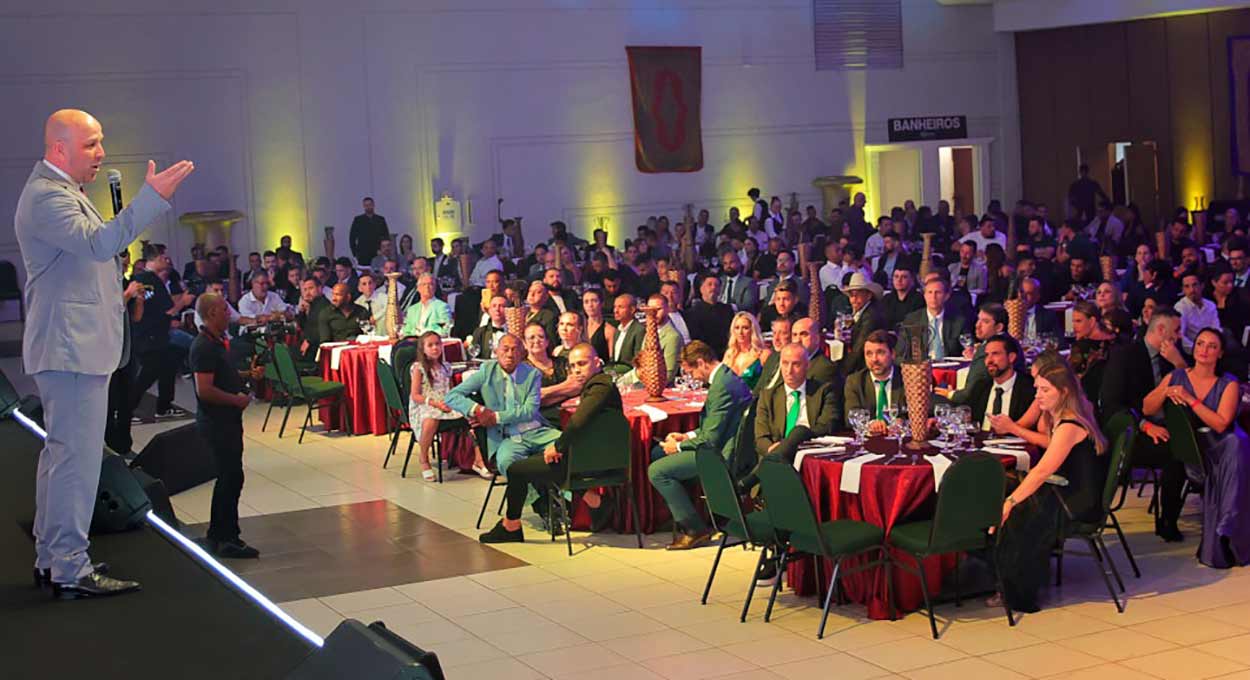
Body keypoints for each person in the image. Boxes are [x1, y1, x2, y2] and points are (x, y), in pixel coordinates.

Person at [16, 109, 194, 598]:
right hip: (71, 349)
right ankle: (69, 567)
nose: (101, 154)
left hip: (73, 347)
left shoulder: (63, 194)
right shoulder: (47, 197)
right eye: (91, 144)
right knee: (76, 461)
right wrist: (152, 200)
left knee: (65, 458)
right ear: (59, 149)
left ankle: (55, 559)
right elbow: (97, 245)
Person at [994, 361, 1109, 612]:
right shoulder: (1066, 416)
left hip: (1078, 499)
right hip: (1069, 487)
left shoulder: (1069, 425)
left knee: (1017, 506)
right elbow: (1044, 438)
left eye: (1045, 390)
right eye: (1037, 389)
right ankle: (1002, 576)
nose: (1038, 396)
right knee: (1008, 485)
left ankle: (1016, 589)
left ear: (1064, 392)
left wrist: (1010, 503)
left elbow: (1043, 470)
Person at [479, 343, 616, 544]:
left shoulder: (600, 386)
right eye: (573, 365)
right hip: (588, 451)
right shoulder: (597, 384)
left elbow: (578, 422)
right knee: (539, 465)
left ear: (597, 362)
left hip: (590, 455)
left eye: (582, 364)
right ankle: (595, 501)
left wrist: (558, 446)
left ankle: (511, 527)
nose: (577, 369)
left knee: (518, 470)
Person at [1142, 327, 1250, 568]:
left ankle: (1227, 526)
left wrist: (1191, 400)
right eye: (1200, 344)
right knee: (1235, 447)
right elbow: (1147, 408)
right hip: (1190, 451)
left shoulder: (1228, 384)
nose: (1204, 350)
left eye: (1212, 346)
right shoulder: (1177, 376)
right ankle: (1225, 526)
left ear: (1220, 353)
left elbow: (1221, 424)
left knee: (1235, 443)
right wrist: (1165, 393)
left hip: (1220, 447)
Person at [648, 341, 753, 549]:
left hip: (721, 455)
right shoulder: (724, 378)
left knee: (657, 471)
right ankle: (685, 511)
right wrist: (685, 436)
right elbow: (713, 426)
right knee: (657, 453)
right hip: (717, 444)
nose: (693, 378)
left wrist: (677, 448)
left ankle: (695, 529)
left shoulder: (722, 386)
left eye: (691, 372)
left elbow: (710, 439)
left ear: (701, 363)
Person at [190, 293, 264, 558]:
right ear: (211, 313)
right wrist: (236, 400)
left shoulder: (216, 343)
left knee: (230, 477)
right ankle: (227, 537)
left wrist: (245, 375)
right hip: (217, 423)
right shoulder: (204, 347)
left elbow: (222, 375)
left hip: (227, 421)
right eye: (224, 309)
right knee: (230, 477)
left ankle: (218, 533)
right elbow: (205, 389)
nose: (229, 313)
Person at [444, 334, 562, 478]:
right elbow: (452, 396)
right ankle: (536, 495)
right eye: (505, 349)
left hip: (536, 431)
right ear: (496, 351)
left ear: (522, 354)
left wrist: (496, 417)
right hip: (507, 436)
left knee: (570, 445)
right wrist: (478, 410)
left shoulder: (532, 374)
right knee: (507, 462)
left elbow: (529, 411)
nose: (510, 354)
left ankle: (566, 494)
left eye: (514, 350)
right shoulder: (487, 371)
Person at [129, 253, 194, 420]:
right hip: (150, 335)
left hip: (154, 334)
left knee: (169, 363)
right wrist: (183, 302)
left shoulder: (143, 279)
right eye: (164, 258)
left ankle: (164, 407)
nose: (168, 261)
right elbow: (168, 309)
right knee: (149, 373)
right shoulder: (150, 280)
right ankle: (126, 408)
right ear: (155, 259)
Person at [753, 343, 838, 467]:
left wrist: (794, 443)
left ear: (807, 365)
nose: (789, 371)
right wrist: (773, 449)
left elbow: (827, 426)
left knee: (798, 432)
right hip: (775, 462)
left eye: (796, 364)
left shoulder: (823, 392)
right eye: (785, 363)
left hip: (809, 459)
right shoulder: (768, 396)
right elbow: (760, 438)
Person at [407, 331, 473, 481]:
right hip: (425, 404)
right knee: (431, 419)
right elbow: (415, 395)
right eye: (430, 345)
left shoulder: (446, 367)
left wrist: (450, 403)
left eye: (437, 344)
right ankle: (424, 458)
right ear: (423, 349)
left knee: (471, 414)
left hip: (445, 403)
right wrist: (434, 403)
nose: (435, 348)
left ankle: (476, 460)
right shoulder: (418, 368)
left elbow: (450, 390)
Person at [938, 302, 1008, 403]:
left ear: (999, 327)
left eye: (985, 322)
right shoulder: (1008, 341)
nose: (977, 325)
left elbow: (971, 393)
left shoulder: (989, 349)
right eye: (978, 319)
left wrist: (950, 394)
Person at [963, 334, 1035, 429]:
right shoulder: (980, 386)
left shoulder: (1029, 388)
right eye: (987, 355)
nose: (989, 360)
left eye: (995, 354)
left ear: (1011, 357)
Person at [844, 330, 905, 434]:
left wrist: (903, 422)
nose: (874, 359)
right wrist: (870, 424)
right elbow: (850, 417)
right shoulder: (855, 381)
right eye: (869, 354)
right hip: (870, 441)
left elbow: (920, 415)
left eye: (880, 352)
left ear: (893, 354)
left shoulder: (906, 379)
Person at [896, 277, 971, 361]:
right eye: (929, 292)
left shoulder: (959, 321)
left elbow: (968, 345)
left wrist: (969, 351)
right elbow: (900, 353)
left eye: (938, 292)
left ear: (946, 296)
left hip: (950, 367)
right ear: (924, 296)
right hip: (921, 368)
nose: (933, 297)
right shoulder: (912, 320)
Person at [523, 323, 581, 425]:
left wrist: (545, 394)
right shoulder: (522, 369)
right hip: (541, 419)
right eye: (531, 338)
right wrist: (565, 387)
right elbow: (531, 399)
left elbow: (577, 386)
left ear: (547, 341)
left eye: (541, 336)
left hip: (571, 413)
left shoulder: (563, 362)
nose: (536, 341)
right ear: (524, 344)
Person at [839, 272, 887, 377]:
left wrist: (842, 371)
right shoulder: (860, 312)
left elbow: (859, 348)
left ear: (869, 295)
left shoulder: (871, 316)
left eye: (857, 295)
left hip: (866, 366)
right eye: (851, 295)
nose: (853, 300)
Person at [686, 274, 734, 356]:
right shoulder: (693, 312)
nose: (713, 288)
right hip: (704, 354)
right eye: (709, 284)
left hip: (727, 353)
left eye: (717, 285)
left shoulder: (727, 309)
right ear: (701, 289)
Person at [1174, 273, 1221, 352]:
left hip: (1212, 346)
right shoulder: (1180, 307)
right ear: (1183, 290)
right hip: (1192, 350)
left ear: (1202, 286)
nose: (1192, 290)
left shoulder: (1210, 305)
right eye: (1187, 286)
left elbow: (1216, 329)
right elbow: (1180, 336)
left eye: (1195, 285)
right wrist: (1198, 349)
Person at [723, 311, 769, 390]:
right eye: (737, 328)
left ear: (752, 330)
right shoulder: (729, 354)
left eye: (745, 328)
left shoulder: (763, 354)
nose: (740, 332)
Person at [755, 317, 793, 394]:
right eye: (774, 333)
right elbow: (759, 387)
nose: (776, 338)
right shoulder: (772, 357)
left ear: (793, 335)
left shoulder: (795, 362)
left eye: (783, 333)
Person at [349, 196, 388, 265]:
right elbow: (352, 238)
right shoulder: (358, 220)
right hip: (363, 254)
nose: (368, 207)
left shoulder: (380, 220)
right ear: (363, 206)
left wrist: (383, 250)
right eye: (366, 205)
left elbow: (386, 236)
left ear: (373, 205)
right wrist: (355, 254)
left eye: (370, 205)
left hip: (377, 253)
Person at [582, 287, 617, 361]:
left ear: (602, 303)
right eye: (586, 302)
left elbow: (612, 359)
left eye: (594, 301)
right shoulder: (580, 327)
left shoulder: (609, 330)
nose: (590, 305)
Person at [610, 293, 645, 367]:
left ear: (632, 309)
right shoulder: (617, 330)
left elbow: (638, 359)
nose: (616, 310)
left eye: (620, 307)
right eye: (615, 307)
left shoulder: (639, 330)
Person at [470, 295, 509, 360]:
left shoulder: (514, 332)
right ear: (489, 311)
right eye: (494, 306)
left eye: (501, 306)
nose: (497, 309)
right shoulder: (480, 332)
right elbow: (474, 356)